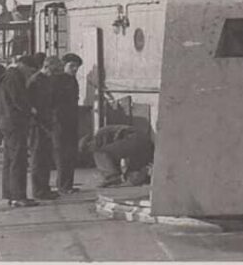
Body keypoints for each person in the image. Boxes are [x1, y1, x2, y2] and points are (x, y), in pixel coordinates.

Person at [0, 55, 40, 207]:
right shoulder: (14, 77)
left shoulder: (9, 76)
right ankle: (18, 196)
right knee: (18, 159)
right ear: (22, 65)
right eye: (30, 69)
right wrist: (31, 110)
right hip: (15, 122)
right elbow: (18, 100)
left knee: (10, 159)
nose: (30, 73)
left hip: (8, 122)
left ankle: (11, 194)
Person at [27, 56, 61, 200]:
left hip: (47, 123)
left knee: (45, 157)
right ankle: (38, 190)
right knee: (38, 157)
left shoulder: (48, 80)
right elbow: (28, 103)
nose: (54, 74)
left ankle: (45, 188)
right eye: (53, 70)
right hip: (36, 124)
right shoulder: (35, 81)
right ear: (46, 67)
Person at [84, 125, 155, 188]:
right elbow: (116, 155)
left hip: (134, 139)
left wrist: (113, 176)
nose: (91, 151)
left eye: (88, 148)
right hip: (145, 145)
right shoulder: (105, 142)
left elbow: (115, 150)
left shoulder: (101, 134)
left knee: (100, 153)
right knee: (133, 177)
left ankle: (111, 177)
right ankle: (143, 176)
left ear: (90, 141)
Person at [51, 53, 82, 193]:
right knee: (62, 155)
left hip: (71, 122)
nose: (75, 69)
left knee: (70, 154)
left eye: (77, 67)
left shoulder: (72, 80)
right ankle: (62, 186)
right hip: (59, 123)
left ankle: (67, 184)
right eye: (71, 66)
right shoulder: (57, 80)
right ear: (64, 66)